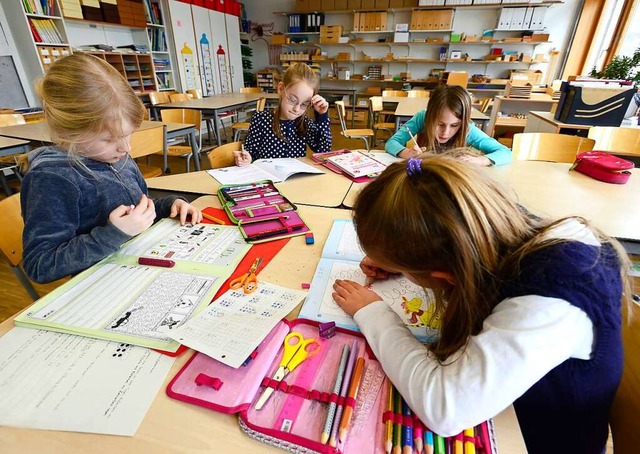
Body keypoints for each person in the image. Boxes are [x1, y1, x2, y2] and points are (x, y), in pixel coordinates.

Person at [332, 155, 628, 453]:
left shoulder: (548, 301)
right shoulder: (498, 224)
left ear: (445, 274)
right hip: (509, 408)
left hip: (539, 438)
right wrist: (404, 263)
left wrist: (373, 312)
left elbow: (444, 409)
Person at [20, 54, 202, 284]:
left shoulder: (116, 155)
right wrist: (115, 233)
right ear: (69, 133)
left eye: (128, 135)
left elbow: (136, 209)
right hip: (105, 285)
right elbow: (40, 264)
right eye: (108, 139)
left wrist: (167, 206)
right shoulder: (51, 179)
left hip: (143, 266)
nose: (126, 147)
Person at [385, 85, 511, 166]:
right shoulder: (422, 118)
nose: (445, 132)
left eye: (454, 125)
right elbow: (392, 142)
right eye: (440, 124)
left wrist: (480, 160)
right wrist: (406, 152)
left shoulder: (467, 129)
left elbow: (505, 152)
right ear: (430, 116)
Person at [233, 63, 331, 165]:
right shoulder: (261, 119)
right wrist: (246, 158)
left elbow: (323, 150)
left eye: (304, 105)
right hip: (268, 177)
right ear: (281, 89)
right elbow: (250, 152)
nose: (296, 109)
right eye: (292, 100)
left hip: (295, 179)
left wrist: (322, 116)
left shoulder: (303, 123)